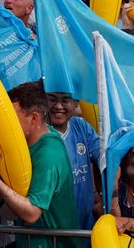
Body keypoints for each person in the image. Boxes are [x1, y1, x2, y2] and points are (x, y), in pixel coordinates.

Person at [0, 81, 79, 247]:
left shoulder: (48, 154)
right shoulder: (35, 137)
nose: (7, 124)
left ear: (34, 118)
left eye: (11, 118)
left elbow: (32, 213)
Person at [46, 91, 100, 230]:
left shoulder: (82, 127)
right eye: (52, 99)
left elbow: (102, 157)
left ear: (76, 103)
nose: (58, 106)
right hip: (53, 232)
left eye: (65, 100)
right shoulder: (38, 132)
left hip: (84, 228)